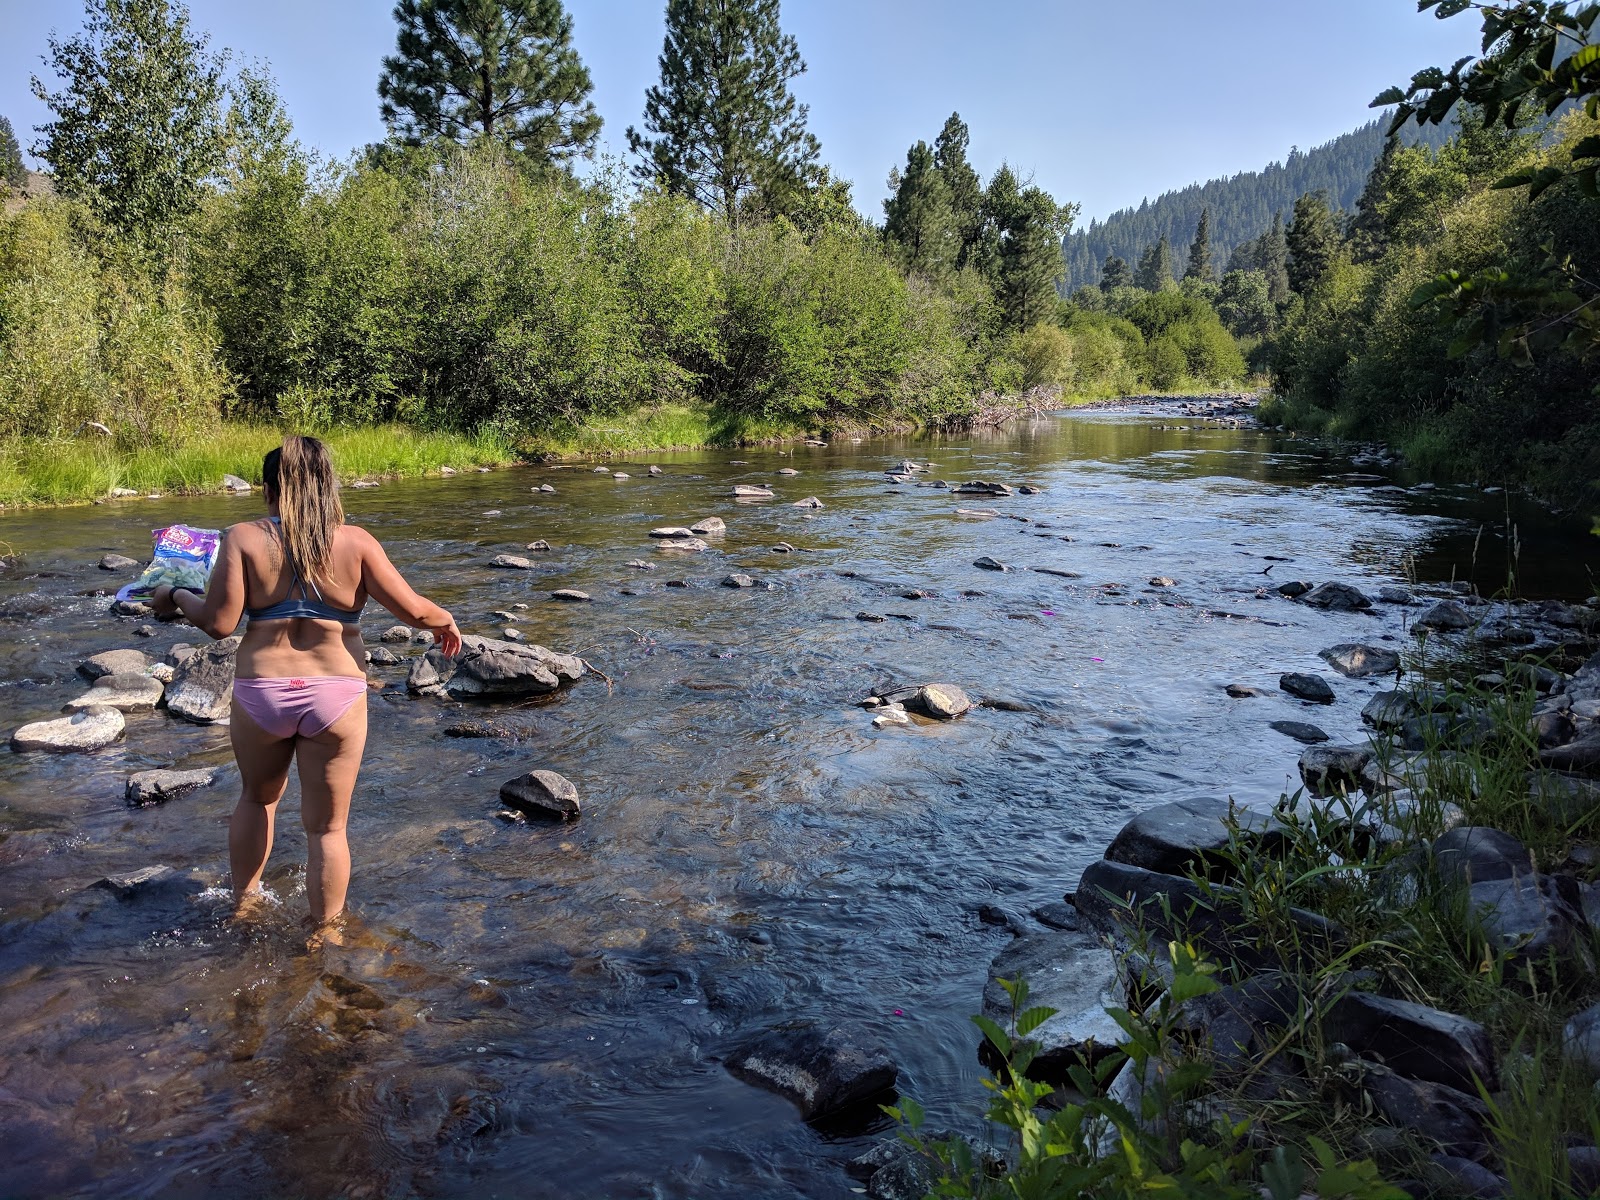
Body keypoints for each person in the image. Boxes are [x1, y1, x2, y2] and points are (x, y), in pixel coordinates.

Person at [151, 435, 461, 934]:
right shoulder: (356, 542)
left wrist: (175, 594)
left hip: (262, 692)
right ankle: (326, 933)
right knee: (329, 827)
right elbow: (416, 611)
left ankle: (245, 905)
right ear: (327, 486)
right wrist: (445, 622)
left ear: (271, 489)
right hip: (335, 692)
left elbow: (219, 623)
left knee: (257, 799)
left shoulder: (243, 538)